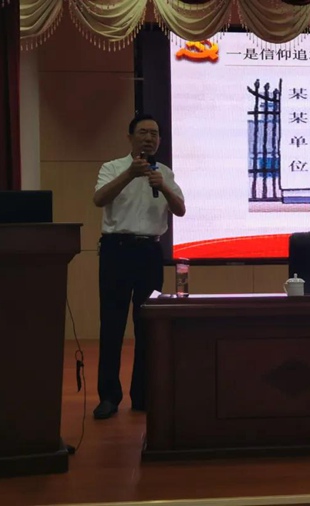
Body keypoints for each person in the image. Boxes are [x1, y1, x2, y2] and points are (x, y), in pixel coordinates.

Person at [92, 113, 185, 420]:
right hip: (116, 251)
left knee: (147, 325)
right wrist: (130, 175)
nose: (149, 138)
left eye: (154, 134)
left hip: (149, 252)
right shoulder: (112, 168)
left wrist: (165, 187)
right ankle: (109, 396)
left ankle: (143, 394)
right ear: (130, 137)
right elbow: (99, 199)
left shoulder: (165, 172)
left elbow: (180, 210)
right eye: (143, 132)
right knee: (112, 324)